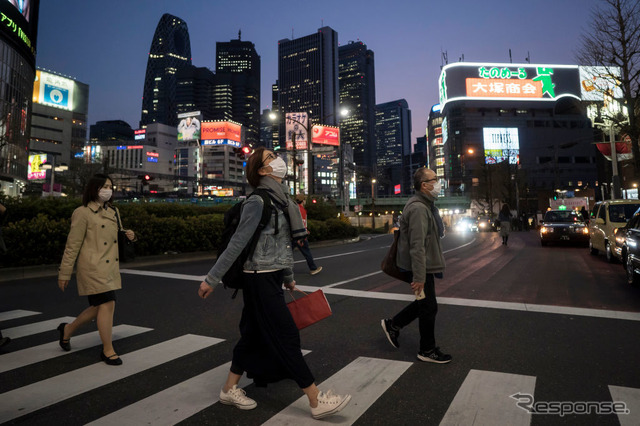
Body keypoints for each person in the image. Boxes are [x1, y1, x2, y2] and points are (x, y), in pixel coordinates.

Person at [198, 147, 351, 419]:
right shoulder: (257, 201)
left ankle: (228, 389)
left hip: (272, 276)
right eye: (271, 158)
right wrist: (212, 278)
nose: (278, 160)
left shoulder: (282, 201)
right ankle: (316, 400)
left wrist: (289, 277)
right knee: (287, 336)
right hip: (258, 278)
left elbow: (283, 246)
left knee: (253, 334)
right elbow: (237, 243)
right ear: (262, 170)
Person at [57, 174, 135, 366]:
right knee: (108, 303)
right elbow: (72, 245)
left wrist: (131, 236)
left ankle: (67, 330)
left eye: (110, 186)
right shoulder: (82, 212)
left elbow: (118, 236)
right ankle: (108, 350)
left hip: (109, 267)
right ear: (94, 189)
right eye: (104, 186)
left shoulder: (114, 212)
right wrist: (65, 272)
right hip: (92, 267)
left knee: (99, 307)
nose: (108, 190)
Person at [380, 167, 451, 364]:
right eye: (434, 180)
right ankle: (426, 350)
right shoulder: (419, 208)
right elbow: (417, 245)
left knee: (426, 305)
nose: (438, 183)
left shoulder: (426, 205)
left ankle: (393, 325)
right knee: (428, 307)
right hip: (421, 267)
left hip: (423, 265)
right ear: (424, 185)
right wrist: (419, 277)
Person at [293, 194, 322, 275]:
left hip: (293, 234)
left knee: (287, 254)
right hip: (301, 235)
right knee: (307, 252)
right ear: (303, 201)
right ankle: (313, 268)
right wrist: (304, 231)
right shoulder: (302, 210)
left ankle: (281, 271)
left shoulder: (294, 209)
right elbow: (302, 222)